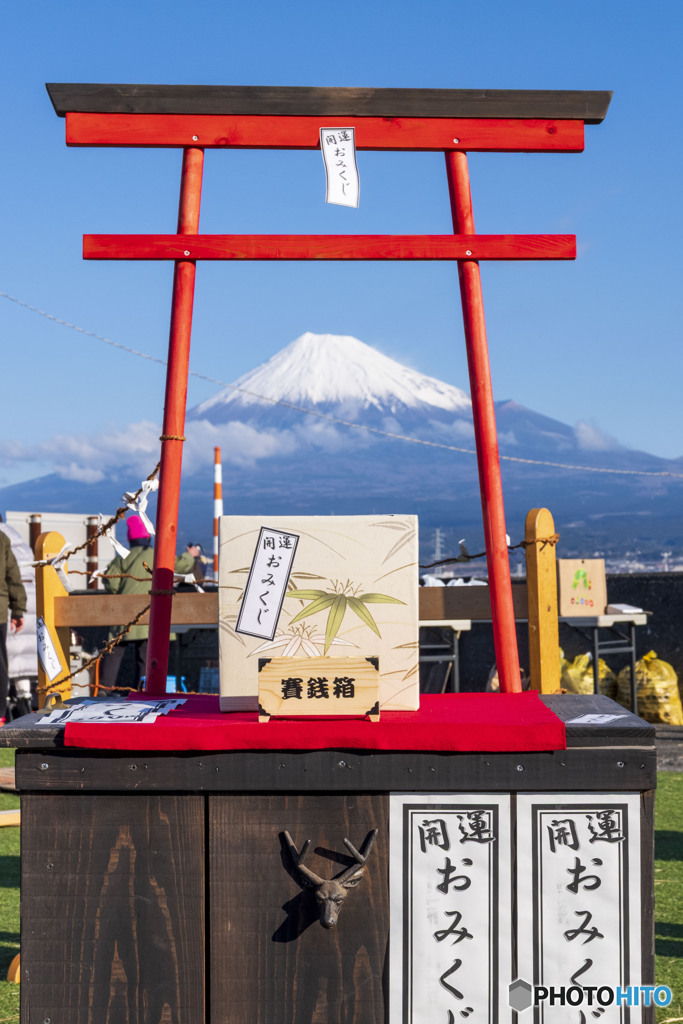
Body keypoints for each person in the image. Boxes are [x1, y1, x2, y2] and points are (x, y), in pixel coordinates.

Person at [98, 515, 194, 691]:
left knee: (115, 650)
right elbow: (180, 565)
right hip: (152, 615)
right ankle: (143, 689)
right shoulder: (157, 555)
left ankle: (104, 689)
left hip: (125, 616)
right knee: (146, 656)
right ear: (148, 537)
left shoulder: (122, 558)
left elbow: (111, 583)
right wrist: (190, 555)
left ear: (130, 538)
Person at [0, 521, 27, 723]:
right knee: (0, 664)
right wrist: (18, 610)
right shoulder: (3, 539)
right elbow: (13, 576)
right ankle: (0, 714)